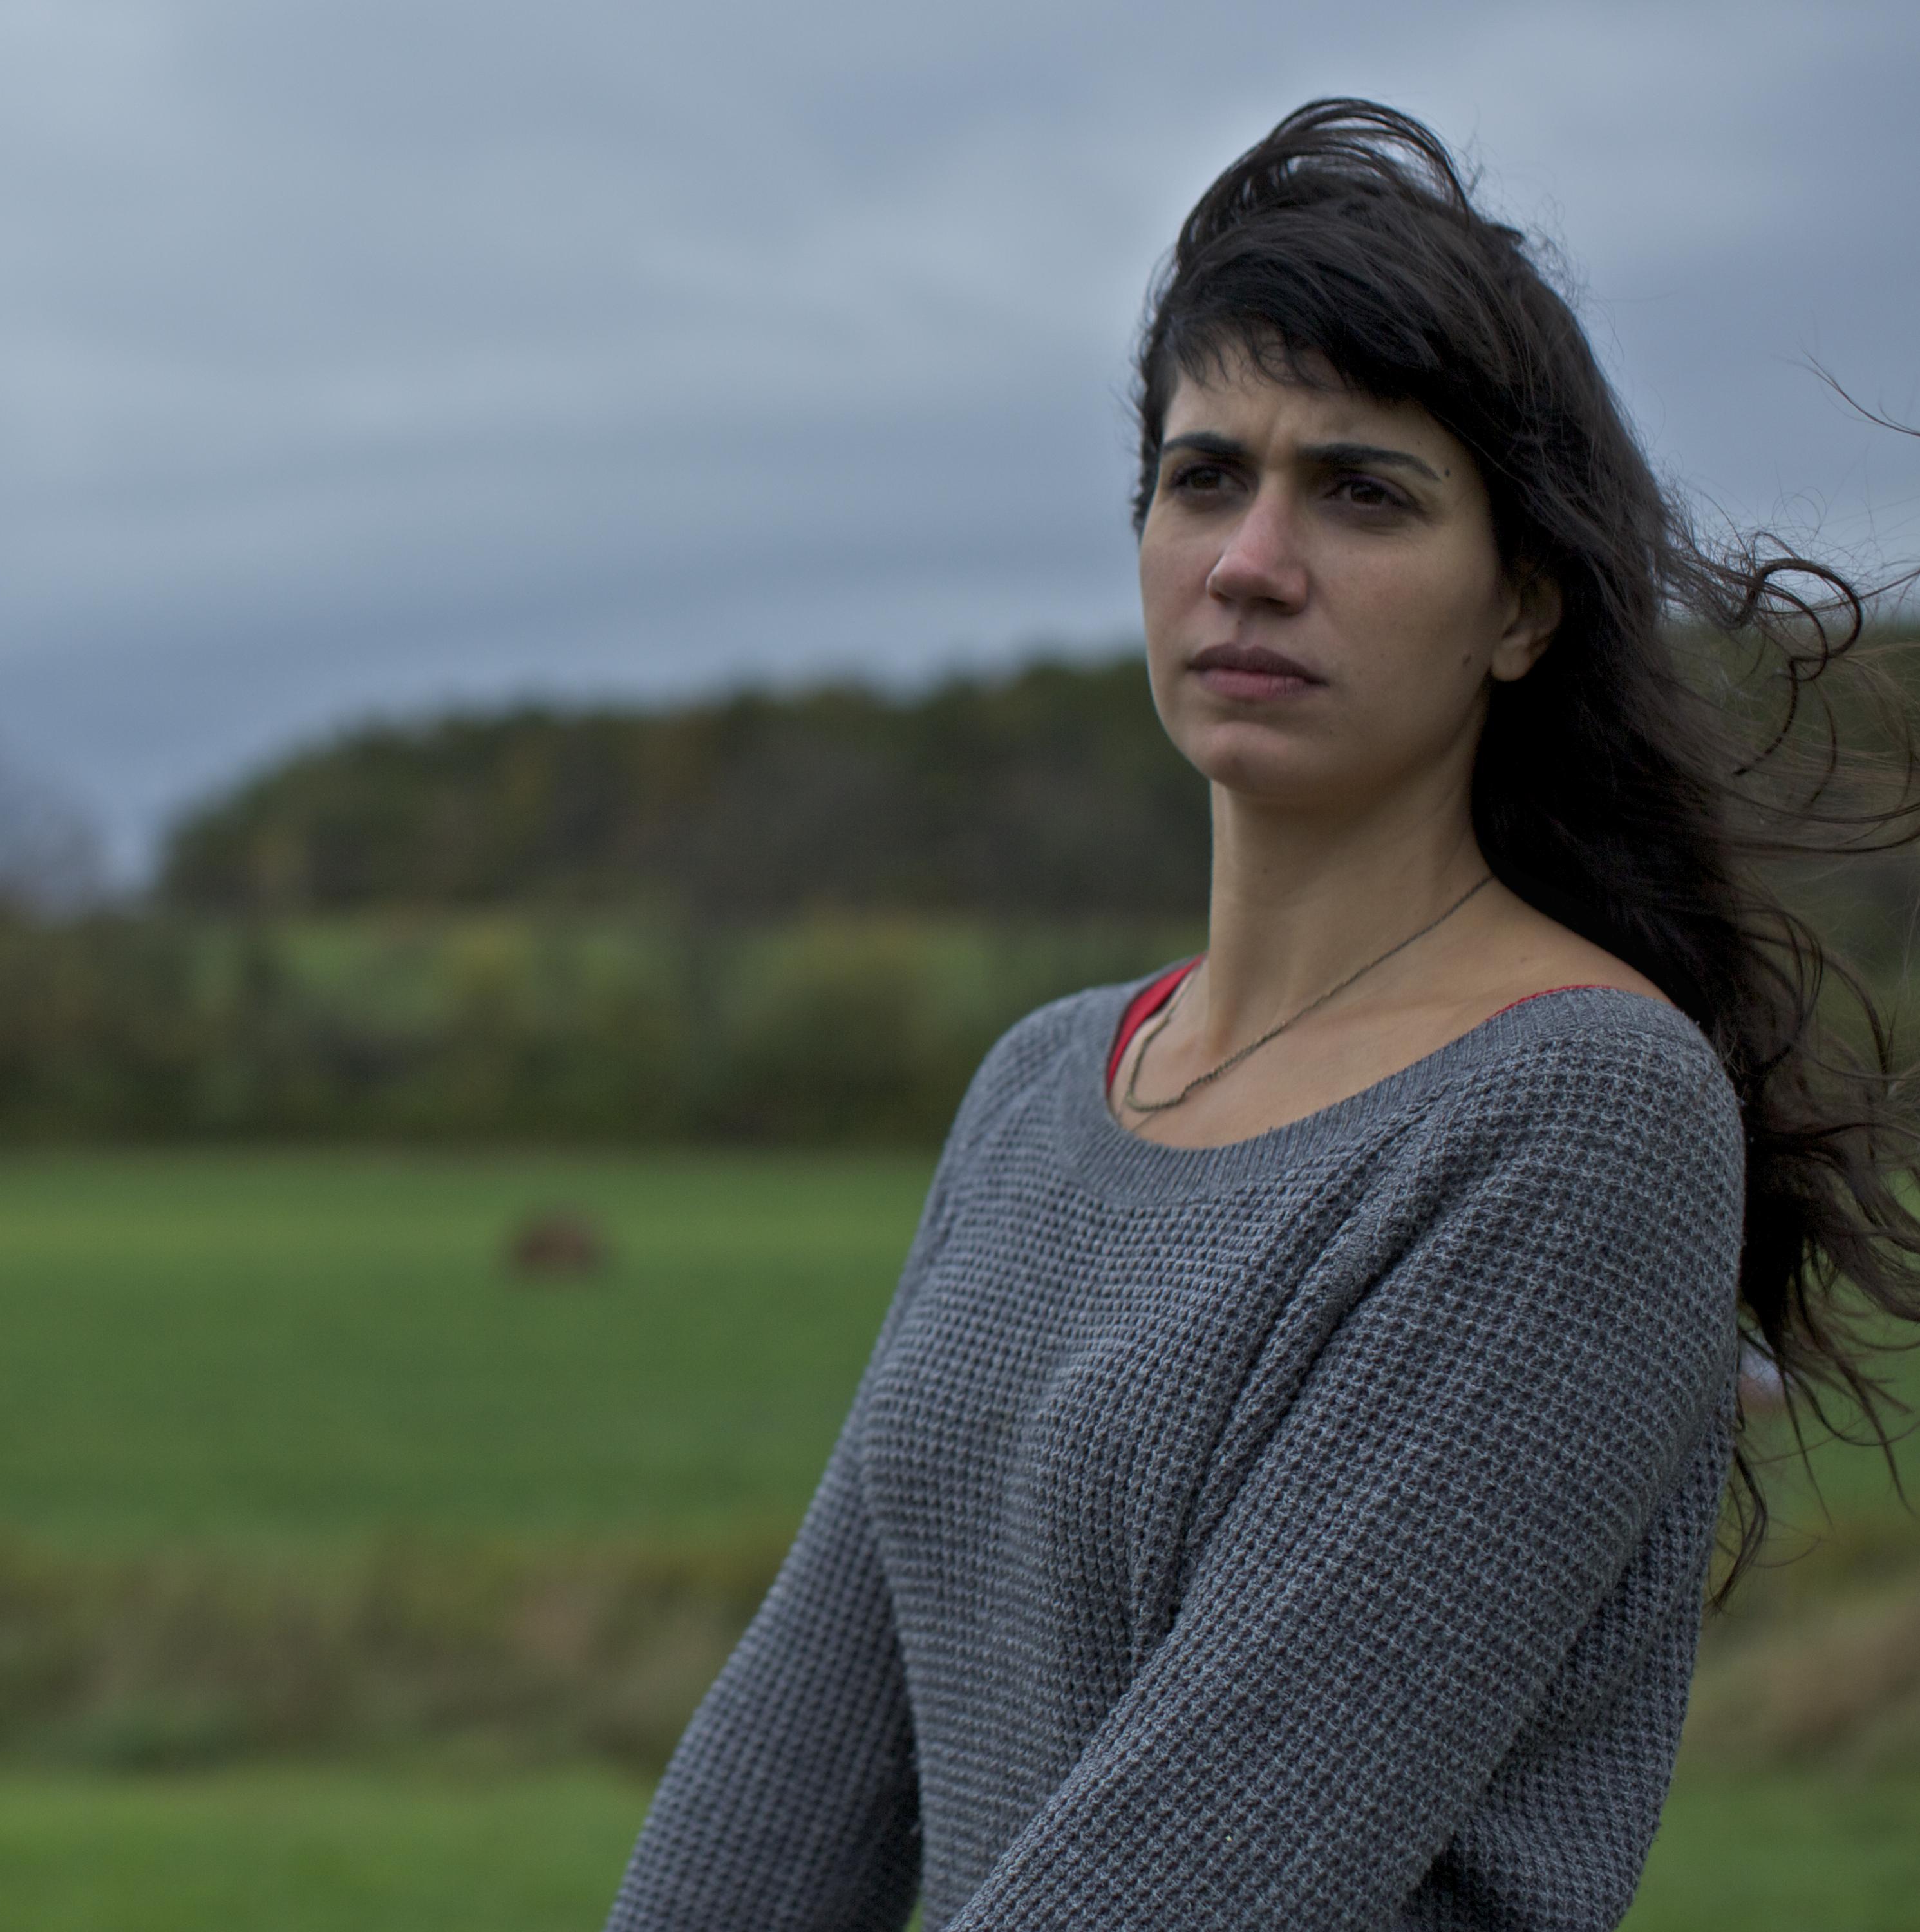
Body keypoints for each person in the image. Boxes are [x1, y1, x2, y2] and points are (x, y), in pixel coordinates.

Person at [605, 100, 1920, 1930]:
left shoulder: (1581, 1116)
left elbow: (1197, 1878)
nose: (1250, 558)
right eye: (1204, 475)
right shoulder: (1047, 1084)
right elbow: (791, 1775)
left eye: (1362, 491)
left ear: (1524, 605)